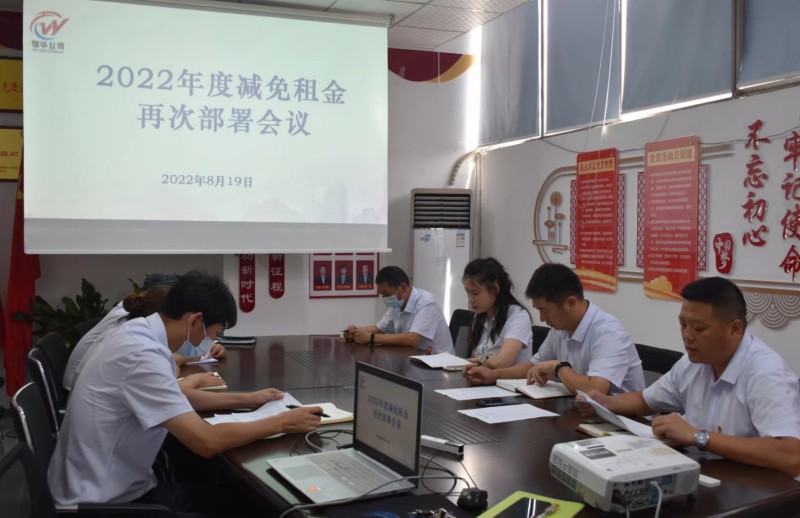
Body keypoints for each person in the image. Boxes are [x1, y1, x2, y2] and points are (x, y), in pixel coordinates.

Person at [48, 271, 322, 508]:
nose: (211, 341)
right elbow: (206, 442)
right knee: (252, 504)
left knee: (227, 490)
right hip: (104, 502)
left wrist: (249, 399)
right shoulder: (142, 354)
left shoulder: (139, 334)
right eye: (213, 334)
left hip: (104, 484)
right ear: (195, 321)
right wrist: (281, 422)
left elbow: (177, 396)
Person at [578, 277, 800, 478]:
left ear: (735, 329)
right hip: (707, 476)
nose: (687, 336)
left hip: (762, 491)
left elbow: (791, 456)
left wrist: (698, 436)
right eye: (683, 325)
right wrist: (605, 403)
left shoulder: (765, 372)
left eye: (699, 328)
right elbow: (644, 401)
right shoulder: (694, 362)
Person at [465, 263, 644, 395]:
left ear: (571, 303)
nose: (542, 319)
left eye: (545, 310)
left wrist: (558, 367)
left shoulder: (608, 333)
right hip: (585, 414)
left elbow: (595, 390)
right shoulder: (560, 328)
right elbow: (532, 365)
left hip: (623, 423)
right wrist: (493, 375)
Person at [63, 273, 225, 392]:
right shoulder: (134, 338)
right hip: (74, 394)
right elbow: (165, 379)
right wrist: (192, 360)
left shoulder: (136, 318)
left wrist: (197, 349)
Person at [344, 266, 454, 354]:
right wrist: (355, 332)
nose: (385, 298)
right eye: (382, 294)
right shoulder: (397, 303)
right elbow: (379, 329)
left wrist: (371, 338)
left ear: (403, 287)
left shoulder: (426, 302)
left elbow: (412, 339)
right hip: (413, 358)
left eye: (386, 293)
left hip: (439, 364)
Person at [461, 257, 532, 368]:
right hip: (483, 377)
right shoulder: (479, 317)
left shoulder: (518, 317)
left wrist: (477, 361)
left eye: (475, 293)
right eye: (467, 292)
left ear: (495, 289)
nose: (470, 299)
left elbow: (503, 361)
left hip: (509, 378)